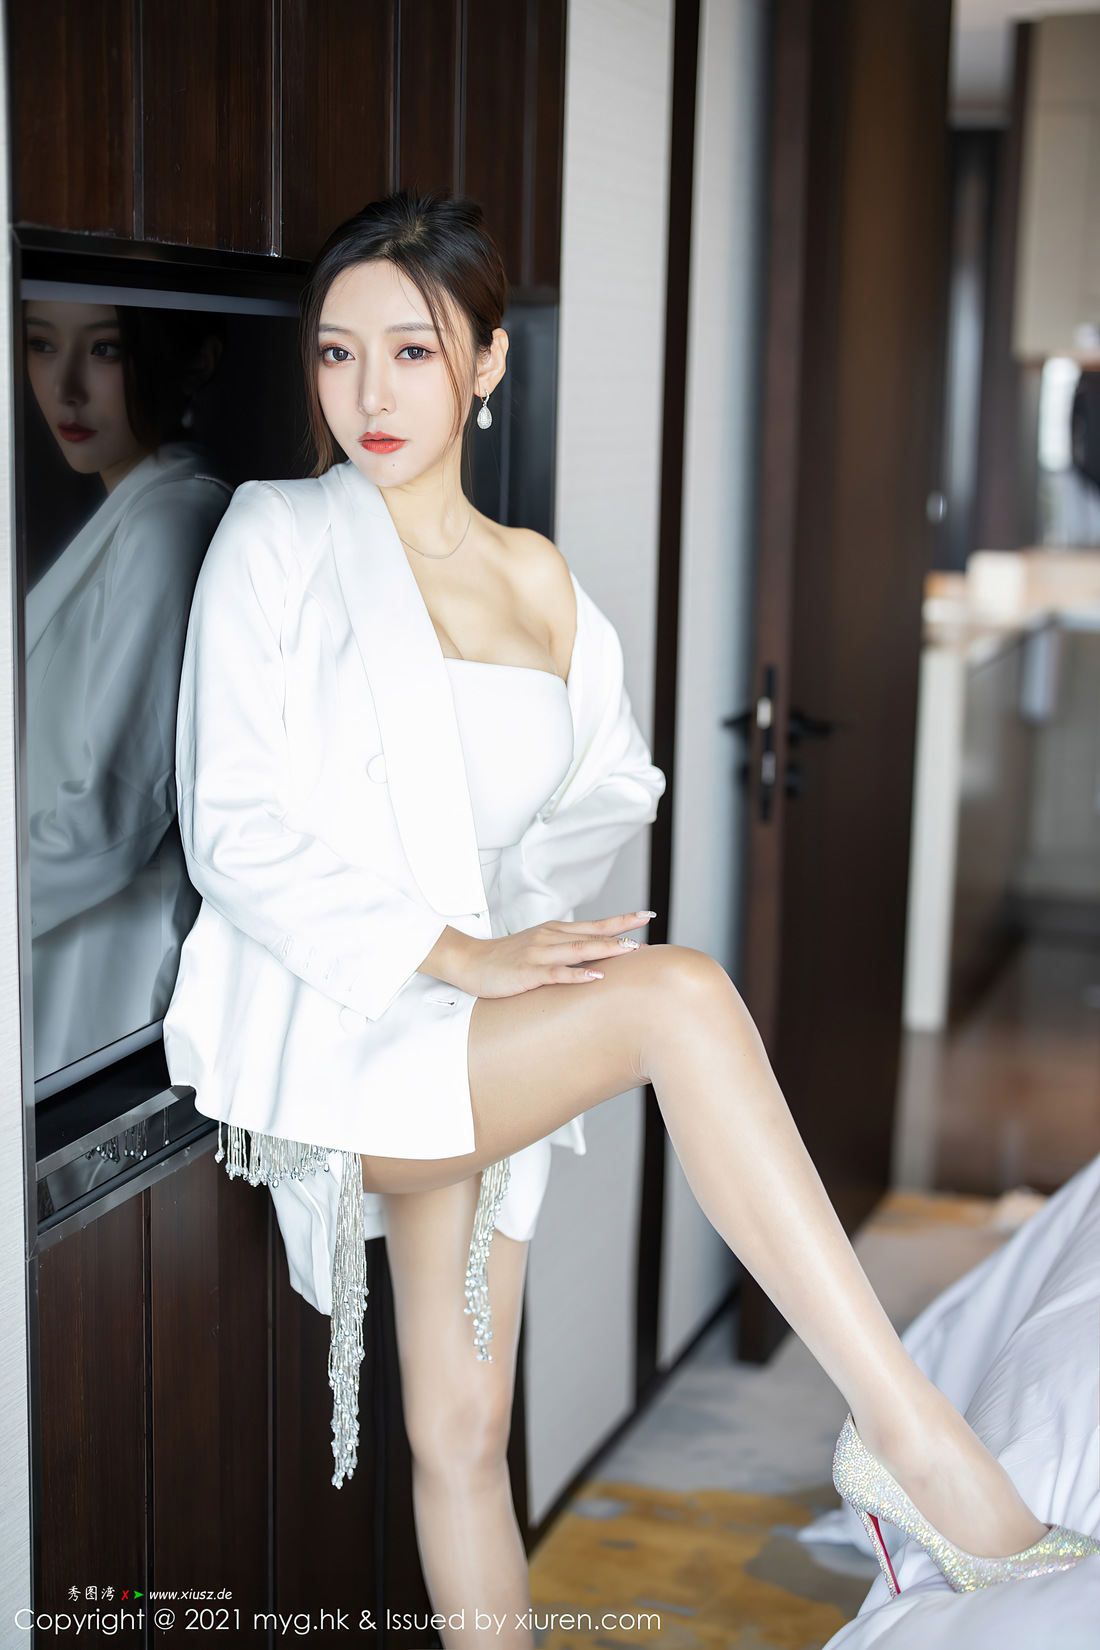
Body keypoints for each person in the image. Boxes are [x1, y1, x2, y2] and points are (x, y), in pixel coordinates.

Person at [163, 192, 1098, 1644]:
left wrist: (516, 920)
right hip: (348, 1028)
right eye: (338, 353)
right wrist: (463, 949)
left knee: (463, 1432)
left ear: (487, 362)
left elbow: (614, 781)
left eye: (413, 351)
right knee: (681, 997)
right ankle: (912, 1439)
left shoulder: (535, 575)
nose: (370, 395)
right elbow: (232, 822)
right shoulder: (275, 536)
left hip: (475, 1026)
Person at [24, 300, 229, 1083]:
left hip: (107, 969)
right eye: (42, 344)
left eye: (105, 349)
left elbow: (112, 815)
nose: (66, 387)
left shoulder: (168, 521)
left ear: (193, 361)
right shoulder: (137, 508)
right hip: (67, 947)